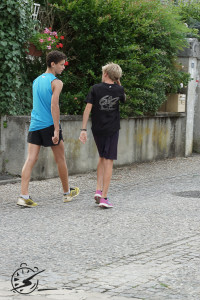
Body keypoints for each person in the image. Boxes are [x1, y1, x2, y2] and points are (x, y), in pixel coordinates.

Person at [17, 50, 79, 207]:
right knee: (60, 159)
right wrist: (56, 130)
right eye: (61, 64)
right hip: (50, 125)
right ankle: (66, 193)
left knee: (31, 159)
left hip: (35, 124)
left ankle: (23, 196)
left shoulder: (36, 80)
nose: (63, 67)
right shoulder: (56, 82)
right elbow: (54, 105)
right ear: (53, 64)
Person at [79, 62, 126, 208]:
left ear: (105, 74)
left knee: (102, 157)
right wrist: (119, 83)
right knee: (109, 160)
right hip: (112, 129)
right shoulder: (119, 90)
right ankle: (104, 197)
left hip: (97, 129)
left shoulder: (95, 88)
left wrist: (83, 129)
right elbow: (124, 99)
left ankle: (98, 189)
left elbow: (87, 109)